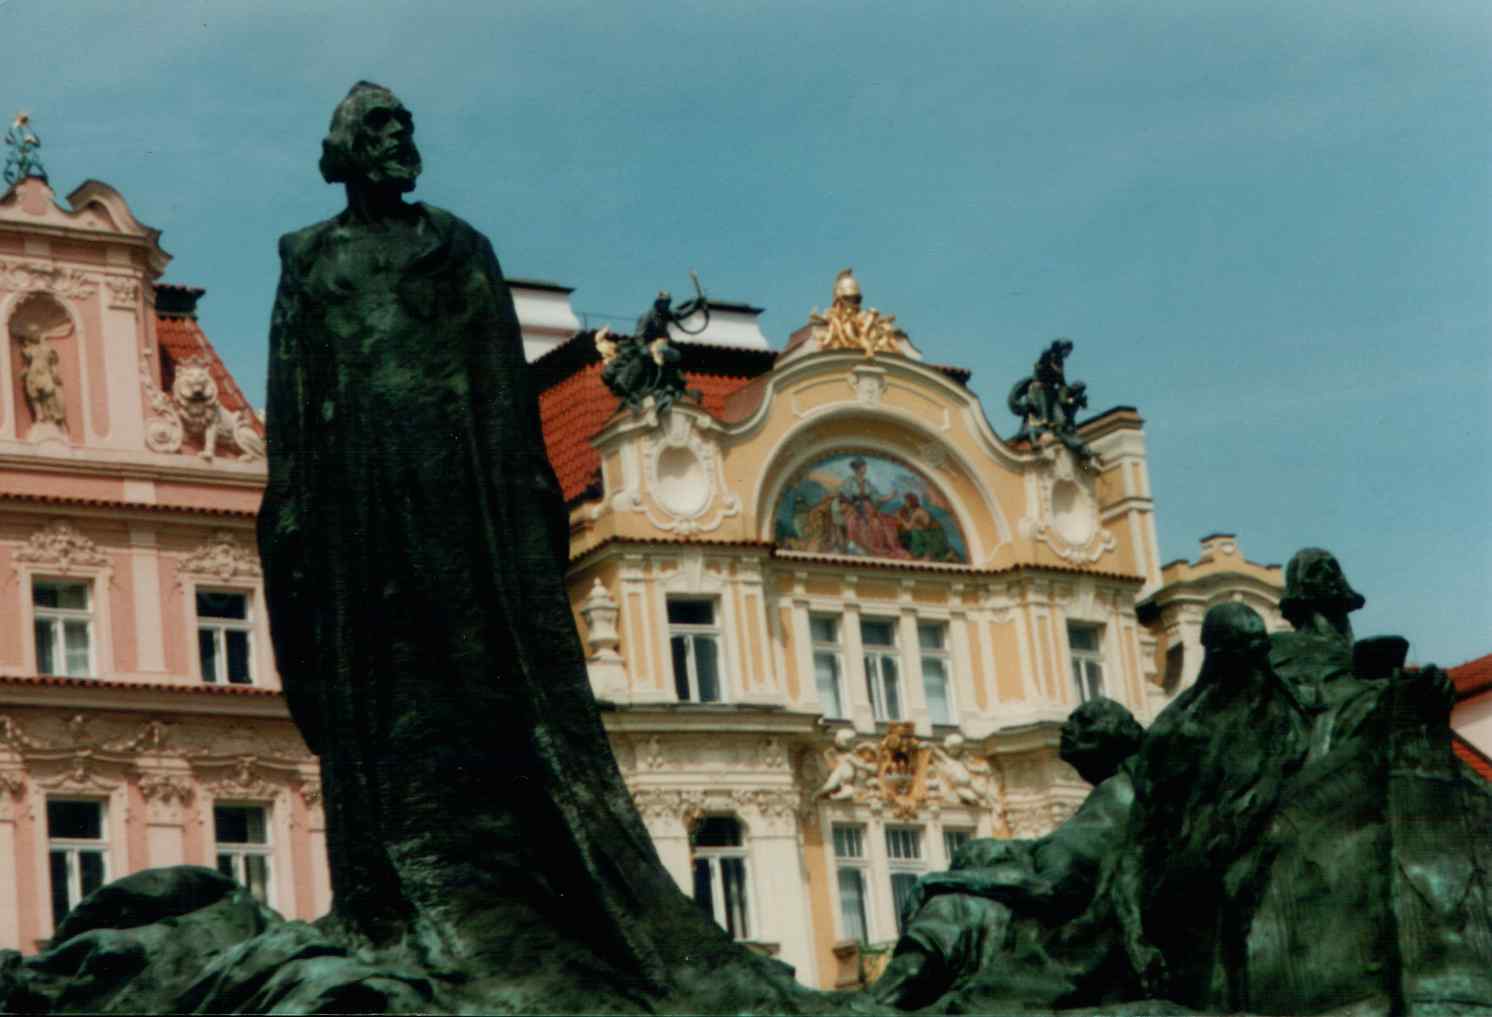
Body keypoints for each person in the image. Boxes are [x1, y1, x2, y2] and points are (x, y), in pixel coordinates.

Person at [257, 83, 797, 1008]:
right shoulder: (309, 259)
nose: (401, 141)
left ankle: (509, 892)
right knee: (380, 696)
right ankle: (391, 899)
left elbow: (504, 384)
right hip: (361, 508)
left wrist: (526, 501)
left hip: (464, 496)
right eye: (381, 129)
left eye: (407, 127)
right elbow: (293, 401)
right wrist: (297, 508)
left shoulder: (459, 246)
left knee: (482, 678)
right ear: (345, 148)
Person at [872, 697, 1144, 1010]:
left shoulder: (1121, 796)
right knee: (965, 874)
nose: (1067, 729)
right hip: (1044, 917)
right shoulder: (1106, 796)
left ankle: (878, 1002)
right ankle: (884, 999)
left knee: (952, 909)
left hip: (1062, 930)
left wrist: (948, 880)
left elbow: (1056, 887)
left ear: (1110, 735)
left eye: (1082, 722)